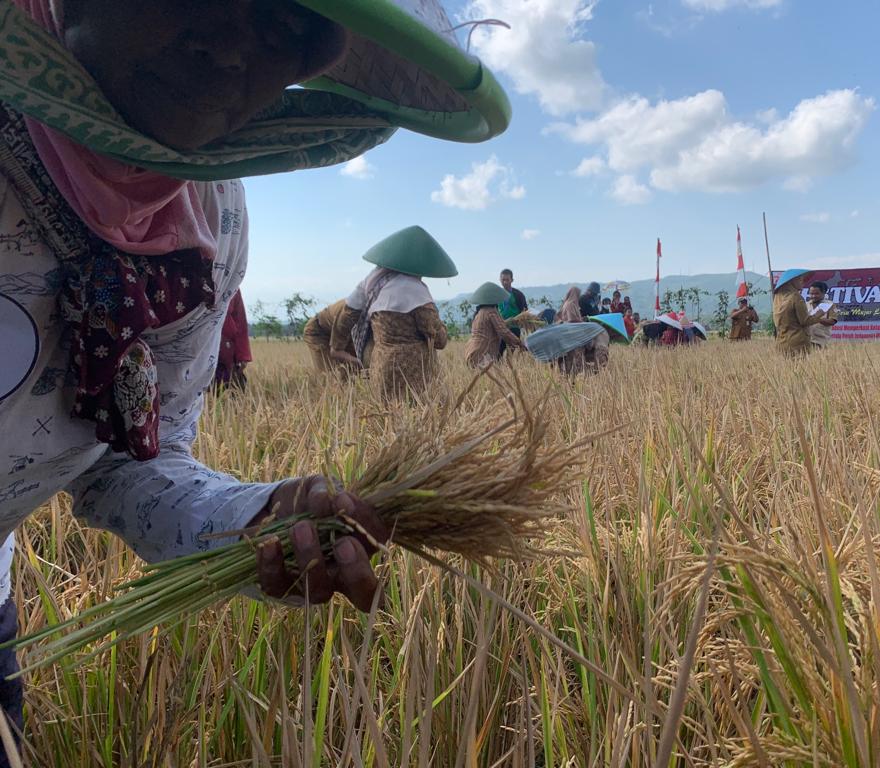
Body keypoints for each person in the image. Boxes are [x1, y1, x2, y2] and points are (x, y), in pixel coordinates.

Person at [0, 0, 509, 749]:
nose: (230, 45)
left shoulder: (213, 222)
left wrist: (252, 518)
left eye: (283, 21)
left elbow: (129, 465)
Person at [330, 227, 452, 400]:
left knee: (386, 417)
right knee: (416, 416)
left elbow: (347, 315)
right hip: (416, 373)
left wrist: (337, 347)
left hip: (382, 368)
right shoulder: (418, 293)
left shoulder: (371, 283)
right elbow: (438, 340)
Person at [465, 282, 525, 368]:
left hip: (472, 351)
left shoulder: (479, 312)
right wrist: (519, 342)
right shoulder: (491, 312)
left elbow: (499, 325)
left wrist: (510, 321)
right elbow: (503, 332)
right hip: (483, 354)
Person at [772, 270, 825, 356]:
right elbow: (805, 321)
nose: (803, 282)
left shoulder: (777, 298)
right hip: (797, 343)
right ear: (792, 281)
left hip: (782, 342)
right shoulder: (796, 297)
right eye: (800, 280)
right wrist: (819, 314)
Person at [214, 290, 253, 390]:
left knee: (228, 387)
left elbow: (240, 320)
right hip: (196, 347)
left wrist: (243, 355)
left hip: (225, 349)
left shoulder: (231, 279)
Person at [497, 268, 528, 355]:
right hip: (501, 328)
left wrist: (517, 320)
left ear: (512, 280)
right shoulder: (496, 295)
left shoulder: (518, 295)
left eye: (507, 280)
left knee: (511, 353)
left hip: (514, 328)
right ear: (500, 280)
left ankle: (511, 367)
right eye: (503, 280)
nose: (505, 282)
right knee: (498, 353)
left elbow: (525, 311)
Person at [806, 282, 839, 349]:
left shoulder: (830, 305)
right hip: (807, 341)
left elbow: (832, 321)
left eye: (816, 293)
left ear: (823, 292)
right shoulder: (806, 305)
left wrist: (817, 319)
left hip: (821, 341)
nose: (813, 296)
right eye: (811, 293)